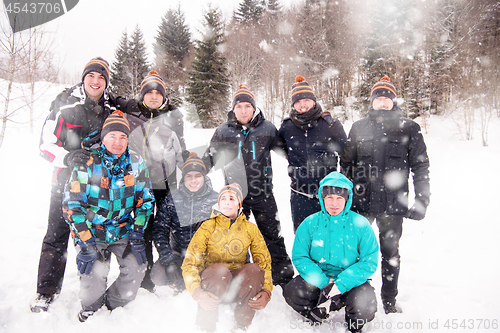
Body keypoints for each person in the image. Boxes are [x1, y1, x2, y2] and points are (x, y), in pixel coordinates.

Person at [32, 57, 116, 312]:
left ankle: (92, 290)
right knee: (56, 237)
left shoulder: (111, 107)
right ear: (84, 78)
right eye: (92, 76)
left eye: (102, 77)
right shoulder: (64, 103)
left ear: (106, 82)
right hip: (63, 183)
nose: (96, 81)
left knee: (93, 237)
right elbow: (44, 146)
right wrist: (67, 157)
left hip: (94, 187)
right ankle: (45, 291)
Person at [340, 76, 431, 314]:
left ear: (393, 101)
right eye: (378, 98)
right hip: (362, 202)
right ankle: (354, 298)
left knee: (390, 253)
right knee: (355, 251)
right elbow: (347, 165)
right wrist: (344, 197)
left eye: (386, 98)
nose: (382, 102)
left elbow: (421, 167)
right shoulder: (359, 127)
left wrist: (422, 200)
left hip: (393, 204)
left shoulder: (409, 128)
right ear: (372, 102)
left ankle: (389, 301)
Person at [62, 111, 154, 322]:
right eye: (112, 136)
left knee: (137, 268)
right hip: (91, 232)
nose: (118, 142)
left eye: (123, 137)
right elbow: (72, 206)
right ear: (103, 138)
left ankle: (114, 303)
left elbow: (146, 200)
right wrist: (86, 244)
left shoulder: (136, 162)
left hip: (122, 230)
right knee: (93, 282)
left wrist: (138, 233)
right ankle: (92, 305)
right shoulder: (87, 163)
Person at [202, 84, 293, 287]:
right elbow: (210, 157)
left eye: (247, 106)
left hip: (262, 193)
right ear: (233, 110)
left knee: (272, 235)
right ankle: (238, 276)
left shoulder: (267, 128)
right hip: (235, 196)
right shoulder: (223, 131)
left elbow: (286, 151)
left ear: (254, 108)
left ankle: (283, 277)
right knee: (233, 238)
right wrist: (195, 174)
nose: (243, 110)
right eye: (239, 106)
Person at [283, 172, 379, 333]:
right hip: (320, 280)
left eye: (339, 198)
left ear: (347, 199)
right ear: (322, 198)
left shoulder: (360, 224)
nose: (334, 203)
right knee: (292, 292)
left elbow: (369, 261)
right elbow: (301, 257)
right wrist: (324, 282)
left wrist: (340, 285)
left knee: (365, 305)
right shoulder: (310, 223)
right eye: (330, 198)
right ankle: (317, 311)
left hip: (351, 282)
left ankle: (351, 319)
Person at [120, 70, 186, 291]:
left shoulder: (173, 115)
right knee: (144, 226)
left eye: (159, 92)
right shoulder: (131, 113)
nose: (154, 96)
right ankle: (146, 276)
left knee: (172, 225)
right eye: (149, 92)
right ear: (142, 95)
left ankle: (174, 268)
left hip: (168, 181)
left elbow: (180, 146)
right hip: (141, 182)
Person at [181, 183, 273, 332]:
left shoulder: (250, 229)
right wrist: (196, 291)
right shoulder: (207, 226)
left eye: (232, 198)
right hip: (213, 285)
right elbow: (190, 263)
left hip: (238, 289)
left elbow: (264, 262)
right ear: (218, 203)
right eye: (223, 198)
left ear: (239, 204)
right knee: (220, 271)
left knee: (254, 270)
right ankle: (205, 326)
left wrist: (267, 291)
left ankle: (241, 325)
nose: (227, 201)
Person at [278, 75, 347, 232]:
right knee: (303, 237)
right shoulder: (287, 127)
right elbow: (281, 148)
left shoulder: (331, 125)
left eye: (306, 101)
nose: (303, 106)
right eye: (298, 102)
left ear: (314, 101)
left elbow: (347, 155)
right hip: (299, 193)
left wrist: (342, 185)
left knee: (330, 238)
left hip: (328, 195)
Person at [150, 152, 218, 291]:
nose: (193, 180)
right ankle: (181, 279)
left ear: (204, 177)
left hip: (207, 256)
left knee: (214, 279)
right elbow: (159, 230)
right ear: (183, 178)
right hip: (179, 254)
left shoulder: (216, 200)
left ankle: (200, 280)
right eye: (189, 176)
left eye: (198, 176)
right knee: (157, 275)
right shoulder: (172, 199)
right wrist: (169, 261)